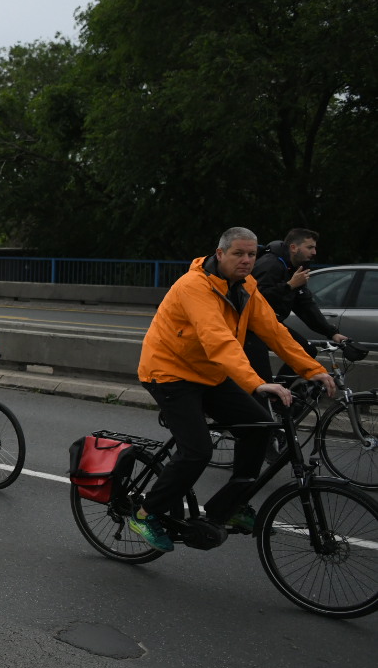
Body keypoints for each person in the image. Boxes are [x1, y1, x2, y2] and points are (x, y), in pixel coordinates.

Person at [131, 227, 333, 551]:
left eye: (252, 254)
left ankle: (229, 506)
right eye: (239, 254)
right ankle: (144, 513)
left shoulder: (246, 287)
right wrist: (256, 382)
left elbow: (275, 332)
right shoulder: (194, 286)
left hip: (209, 373)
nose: (247, 261)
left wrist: (315, 370)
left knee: (260, 428)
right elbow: (218, 340)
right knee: (197, 451)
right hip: (169, 374)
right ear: (220, 254)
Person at [245, 227, 350, 381]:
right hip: (251, 327)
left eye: (314, 247)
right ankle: (272, 397)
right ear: (293, 248)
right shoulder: (271, 264)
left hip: (272, 324)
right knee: (261, 378)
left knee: (307, 350)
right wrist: (289, 286)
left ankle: (281, 393)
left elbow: (305, 304)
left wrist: (331, 333)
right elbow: (254, 297)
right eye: (310, 247)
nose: (314, 252)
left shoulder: (295, 268)